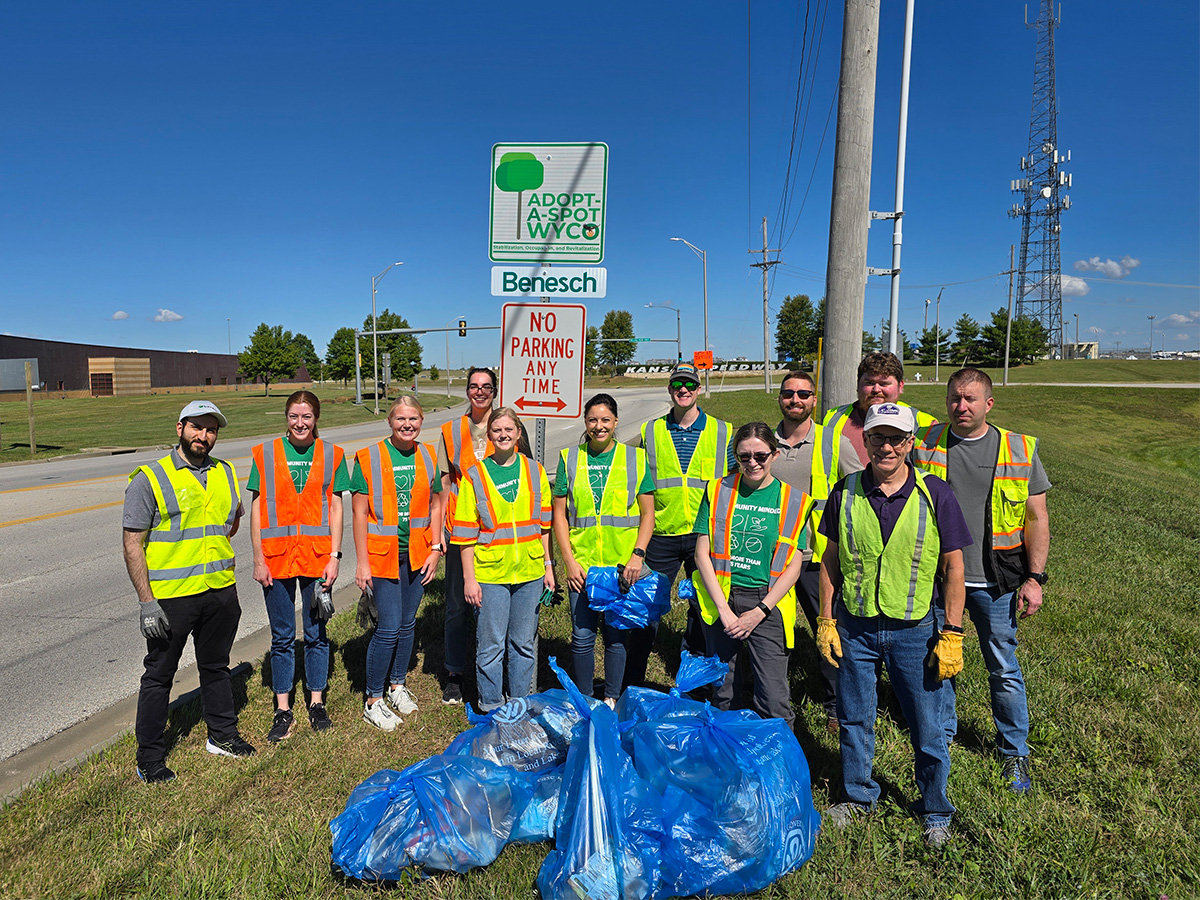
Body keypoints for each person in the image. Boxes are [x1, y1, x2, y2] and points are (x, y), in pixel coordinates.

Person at [816, 402, 972, 848]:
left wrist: (953, 631)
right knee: (854, 717)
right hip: (856, 626)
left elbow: (954, 567)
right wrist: (826, 619)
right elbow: (830, 560)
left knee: (927, 722)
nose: (886, 446)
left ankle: (936, 809)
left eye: (896, 438)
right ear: (863, 441)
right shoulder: (844, 490)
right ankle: (858, 797)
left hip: (914, 629)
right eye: (877, 437)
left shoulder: (935, 493)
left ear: (910, 444)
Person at [912, 367, 1050, 794]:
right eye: (954, 398)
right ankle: (943, 736)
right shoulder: (924, 444)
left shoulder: (1019, 448)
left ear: (989, 403)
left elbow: (1036, 518)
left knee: (1002, 667)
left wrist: (1035, 578)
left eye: (971, 398)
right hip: (938, 578)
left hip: (995, 580)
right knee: (938, 663)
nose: (961, 406)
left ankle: (1014, 753)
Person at [122, 400, 254, 783]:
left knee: (216, 665)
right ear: (179, 428)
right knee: (159, 675)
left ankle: (222, 736)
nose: (204, 435)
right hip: (171, 598)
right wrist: (147, 602)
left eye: (211, 429)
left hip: (219, 591)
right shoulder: (151, 477)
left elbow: (231, 522)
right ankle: (149, 758)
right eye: (197, 427)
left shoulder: (225, 472)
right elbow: (133, 542)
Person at [692, 422, 810, 728]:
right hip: (724, 600)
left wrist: (760, 611)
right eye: (744, 457)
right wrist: (724, 610)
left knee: (772, 697)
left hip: (766, 603)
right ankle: (728, 761)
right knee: (724, 690)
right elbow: (701, 554)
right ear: (736, 456)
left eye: (760, 455)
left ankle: (778, 768)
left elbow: (794, 565)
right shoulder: (717, 490)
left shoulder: (793, 501)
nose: (753, 463)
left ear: (775, 454)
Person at [249, 390, 350, 741]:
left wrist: (335, 557)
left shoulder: (332, 454)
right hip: (276, 559)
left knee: (317, 633)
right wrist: (258, 559)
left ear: (316, 418)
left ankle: (317, 702)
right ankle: (283, 709)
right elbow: (259, 508)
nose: (300, 423)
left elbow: (336, 508)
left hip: (317, 557)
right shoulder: (265, 454)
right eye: (294, 415)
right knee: (281, 636)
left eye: (306, 416)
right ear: (286, 417)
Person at [770, 370, 864, 733]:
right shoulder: (765, 439)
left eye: (803, 394)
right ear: (780, 397)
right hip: (773, 558)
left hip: (817, 559)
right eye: (789, 393)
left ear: (814, 399)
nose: (796, 400)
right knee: (773, 634)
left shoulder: (831, 441)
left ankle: (836, 707)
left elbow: (858, 487)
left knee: (828, 631)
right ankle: (772, 701)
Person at [552, 394, 655, 707]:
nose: (599, 426)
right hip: (582, 565)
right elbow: (559, 513)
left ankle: (611, 698)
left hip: (620, 565)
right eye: (593, 420)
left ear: (616, 422)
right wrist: (567, 561)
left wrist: (637, 555)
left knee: (615, 636)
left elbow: (648, 513)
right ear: (585, 422)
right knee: (582, 637)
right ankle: (585, 699)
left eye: (605, 420)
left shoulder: (635, 459)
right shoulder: (569, 457)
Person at [450, 407, 553, 713]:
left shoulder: (535, 471)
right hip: (490, 574)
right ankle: (492, 705)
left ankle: (521, 703)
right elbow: (465, 535)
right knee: (491, 645)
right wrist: (469, 579)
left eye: (509, 429)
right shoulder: (475, 476)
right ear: (489, 436)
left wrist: (548, 567)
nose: (504, 435)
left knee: (523, 643)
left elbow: (544, 526)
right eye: (497, 431)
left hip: (531, 571)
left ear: (519, 434)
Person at [351, 396, 444, 731]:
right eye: (401, 419)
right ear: (389, 421)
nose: (408, 425)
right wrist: (362, 563)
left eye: (414, 419)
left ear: (421, 421)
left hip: (417, 554)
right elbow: (359, 513)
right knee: (388, 627)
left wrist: (435, 547)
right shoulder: (369, 457)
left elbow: (436, 505)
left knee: (407, 625)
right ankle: (373, 700)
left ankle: (396, 685)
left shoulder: (428, 455)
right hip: (382, 556)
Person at [638, 361, 736, 673]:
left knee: (703, 605)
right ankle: (632, 677)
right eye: (678, 384)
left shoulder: (722, 431)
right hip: (662, 533)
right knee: (647, 605)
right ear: (670, 389)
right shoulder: (650, 431)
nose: (684, 389)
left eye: (690, 384)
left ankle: (700, 673)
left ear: (699, 389)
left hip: (705, 534)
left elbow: (734, 481)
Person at [437, 366, 496, 704]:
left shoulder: (507, 425)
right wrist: (442, 528)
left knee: (491, 605)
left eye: (486, 387)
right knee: (457, 605)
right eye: (474, 386)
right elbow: (445, 484)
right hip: (459, 528)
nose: (479, 392)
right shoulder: (450, 430)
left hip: (497, 529)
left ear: (494, 391)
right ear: (467, 391)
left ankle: (488, 669)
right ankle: (455, 673)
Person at [822, 352, 938, 467]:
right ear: (858, 384)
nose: (876, 389)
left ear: (900, 386)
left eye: (884, 383)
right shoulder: (833, 418)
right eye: (869, 383)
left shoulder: (925, 425)